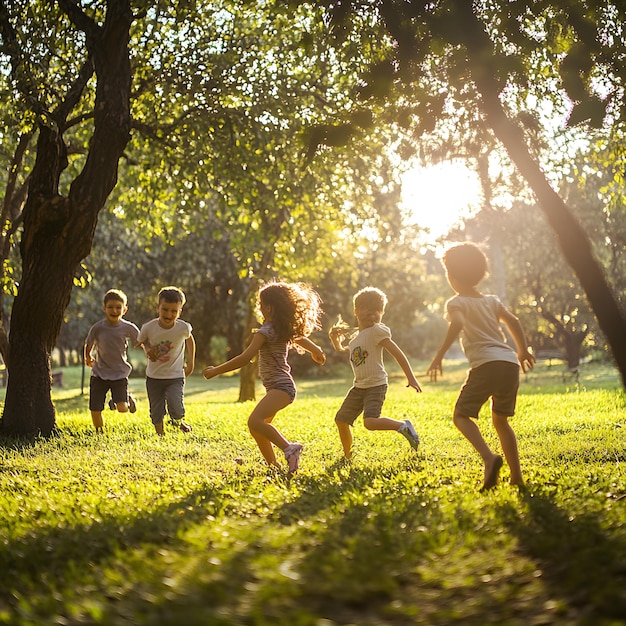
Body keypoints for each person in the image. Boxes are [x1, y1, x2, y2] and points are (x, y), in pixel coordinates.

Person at [427, 242, 535, 491]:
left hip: (486, 365)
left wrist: (439, 356)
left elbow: (456, 325)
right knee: (501, 421)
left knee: (461, 416)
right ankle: (516, 476)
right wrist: (522, 350)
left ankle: (489, 457)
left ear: (451, 277)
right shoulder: (492, 300)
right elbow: (514, 321)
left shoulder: (456, 303)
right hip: (508, 364)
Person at [202, 281, 326, 472]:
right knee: (257, 427)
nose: (258, 308)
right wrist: (316, 350)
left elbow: (244, 358)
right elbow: (299, 338)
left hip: (281, 388)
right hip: (281, 387)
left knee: (254, 422)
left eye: (260, 304)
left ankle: (289, 449)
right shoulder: (281, 328)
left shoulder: (266, 331)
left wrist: (216, 370)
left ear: (268, 307)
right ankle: (273, 465)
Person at [328, 287, 422, 459]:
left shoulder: (377, 331)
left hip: (376, 385)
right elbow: (346, 351)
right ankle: (347, 456)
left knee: (370, 422)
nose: (373, 314)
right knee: (341, 420)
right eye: (368, 310)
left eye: (377, 311)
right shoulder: (357, 336)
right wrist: (335, 340)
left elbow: (397, 352)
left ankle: (404, 426)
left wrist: (411, 377)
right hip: (359, 386)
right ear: (356, 311)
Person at [137, 286, 196, 436]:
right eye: (165, 309)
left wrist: (191, 362)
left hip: (175, 376)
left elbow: (190, 340)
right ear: (158, 308)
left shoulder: (183, 328)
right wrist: (148, 349)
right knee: (156, 410)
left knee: (176, 407)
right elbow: (142, 341)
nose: (169, 314)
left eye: (174, 311)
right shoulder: (148, 328)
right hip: (154, 377)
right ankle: (160, 435)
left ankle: (179, 421)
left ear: (179, 311)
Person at [84, 289, 140, 433]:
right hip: (99, 373)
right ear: (104, 308)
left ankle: (126, 398)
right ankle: (99, 432)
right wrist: (87, 356)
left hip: (119, 374)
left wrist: (149, 350)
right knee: (95, 408)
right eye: (110, 307)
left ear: (124, 309)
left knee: (122, 409)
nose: (114, 310)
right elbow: (89, 343)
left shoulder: (128, 327)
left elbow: (140, 341)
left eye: (118, 307)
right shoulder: (98, 328)